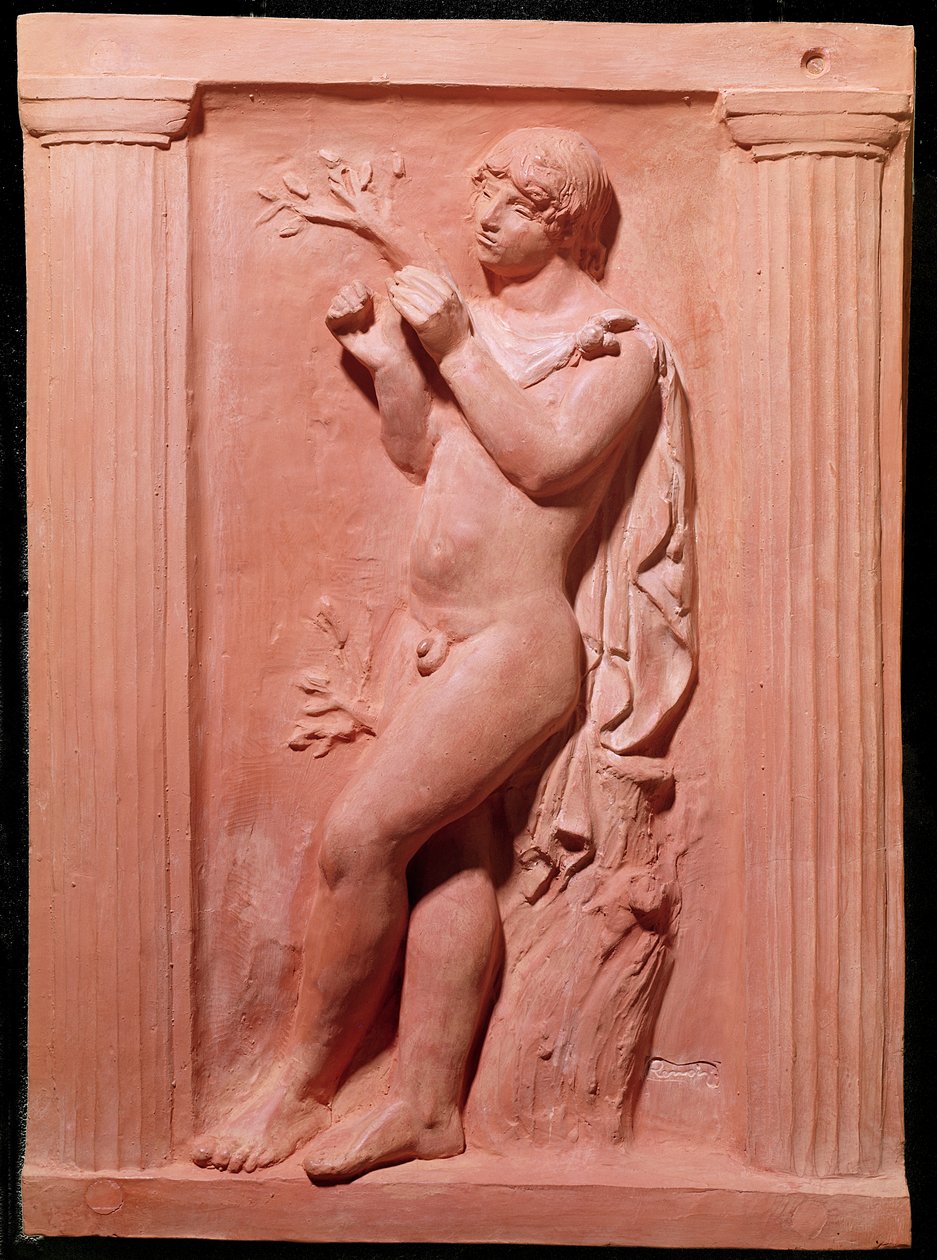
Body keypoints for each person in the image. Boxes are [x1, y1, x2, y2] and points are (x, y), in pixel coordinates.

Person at [193, 128, 664, 1180]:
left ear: (566, 223)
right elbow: (424, 456)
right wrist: (390, 365)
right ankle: (424, 1106)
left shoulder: (617, 345)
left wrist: (450, 346)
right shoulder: (485, 330)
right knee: (450, 855)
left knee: (359, 839)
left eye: (515, 203)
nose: (485, 218)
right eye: (482, 195)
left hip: (514, 645)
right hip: (435, 643)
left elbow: (547, 464)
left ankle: (300, 1088)